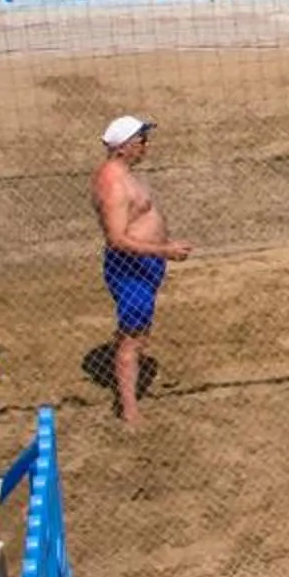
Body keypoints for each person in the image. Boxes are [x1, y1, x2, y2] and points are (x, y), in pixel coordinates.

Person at [91, 117, 190, 428]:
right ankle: (130, 412)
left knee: (135, 332)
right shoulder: (113, 184)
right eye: (142, 140)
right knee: (134, 340)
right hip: (131, 267)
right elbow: (117, 239)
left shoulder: (122, 174)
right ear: (123, 147)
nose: (146, 145)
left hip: (144, 265)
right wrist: (165, 250)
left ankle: (125, 389)